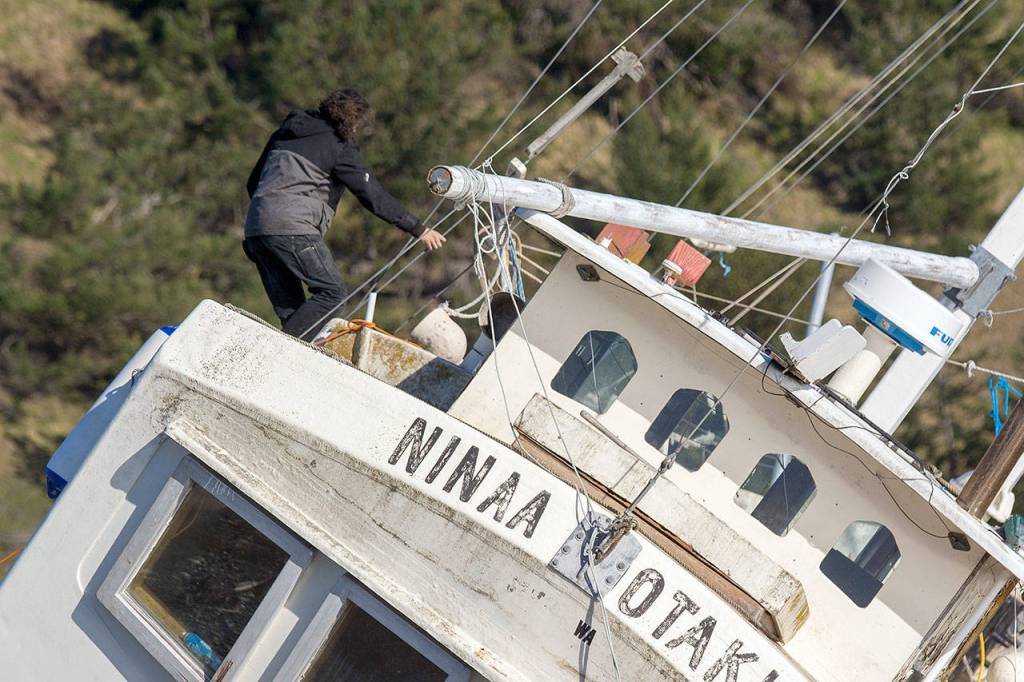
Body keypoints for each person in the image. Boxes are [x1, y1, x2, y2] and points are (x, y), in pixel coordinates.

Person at [243, 88, 446, 340]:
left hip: (256, 230)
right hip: (292, 228)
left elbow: (254, 182)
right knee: (332, 294)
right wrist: (419, 229)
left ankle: (277, 362)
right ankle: (271, 351)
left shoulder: (284, 134)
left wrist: (269, 216)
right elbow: (372, 195)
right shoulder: (339, 146)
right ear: (353, 121)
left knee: (298, 315)